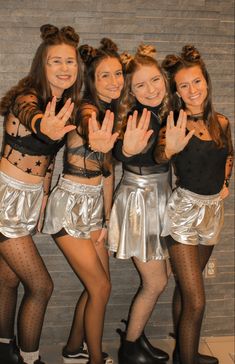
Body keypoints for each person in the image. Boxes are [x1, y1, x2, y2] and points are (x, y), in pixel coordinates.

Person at [0, 24, 82, 364]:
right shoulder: (29, 98)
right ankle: (30, 359)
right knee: (42, 286)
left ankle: (5, 348)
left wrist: (44, 197)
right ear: (42, 65)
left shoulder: (62, 103)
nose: (65, 68)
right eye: (55, 62)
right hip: (4, 200)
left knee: (7, 280)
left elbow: (48, 160)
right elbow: (29, 116)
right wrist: (41, 125)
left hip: (29, 198)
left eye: (70, 62)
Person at [42, 38, 124, 364]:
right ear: (91, 80)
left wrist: (105, 218)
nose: (115, 81)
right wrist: (95, 134)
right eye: (105, 75)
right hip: (69, 205)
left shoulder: (112, 112)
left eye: (118, 73)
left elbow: (106, 174)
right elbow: (89, 126)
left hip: (93, 209)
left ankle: (73, 349)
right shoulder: (85, 108)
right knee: (101, 288)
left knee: (100, 287)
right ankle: (94, 360)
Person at [155, 45, 234, 364]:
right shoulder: (175, 122)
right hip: (183, 215)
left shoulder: (222, 122)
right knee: (197, 300)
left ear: (206, 82)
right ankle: (185, 359)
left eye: (197, 82)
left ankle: (186, 352)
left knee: (189, 291)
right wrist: (168, 150)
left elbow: (228, 156)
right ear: (176, 91)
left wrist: (225, 185)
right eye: (184, 85)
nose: (192, 90)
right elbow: (160, 154)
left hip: (213, 213)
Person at [107, 45, 171, 364]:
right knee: (156, 280)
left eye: (155, 80)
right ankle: (130, 348)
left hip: (156, 196)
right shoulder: (138, 115)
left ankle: (136, 338)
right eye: (140, 85)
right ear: (130, 92)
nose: (151, 89)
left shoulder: (162, 110)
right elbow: (124, 150)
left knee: (161, 277)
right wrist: (126, 152)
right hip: (141, 200)